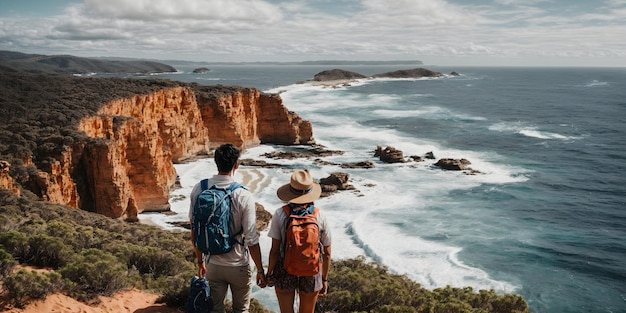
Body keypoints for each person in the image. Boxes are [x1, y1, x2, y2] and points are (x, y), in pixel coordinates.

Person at [189, 143, 266, 313]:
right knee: (241, 310)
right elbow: (251, 238)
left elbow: (194, 230)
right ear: (236, 164)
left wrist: (201, 261)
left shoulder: (200, 188)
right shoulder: (243, 194)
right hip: (239, 264)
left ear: (216, 162)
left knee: (214, 310)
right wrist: (260, 270)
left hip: (212, 263)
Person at [266, 170, 332, 313]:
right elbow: (326, 253)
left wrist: (269, 273)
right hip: (311, 270)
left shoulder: (280, 214)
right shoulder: (319, 215)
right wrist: (324, 279)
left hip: (284, 269)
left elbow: (274, 251)